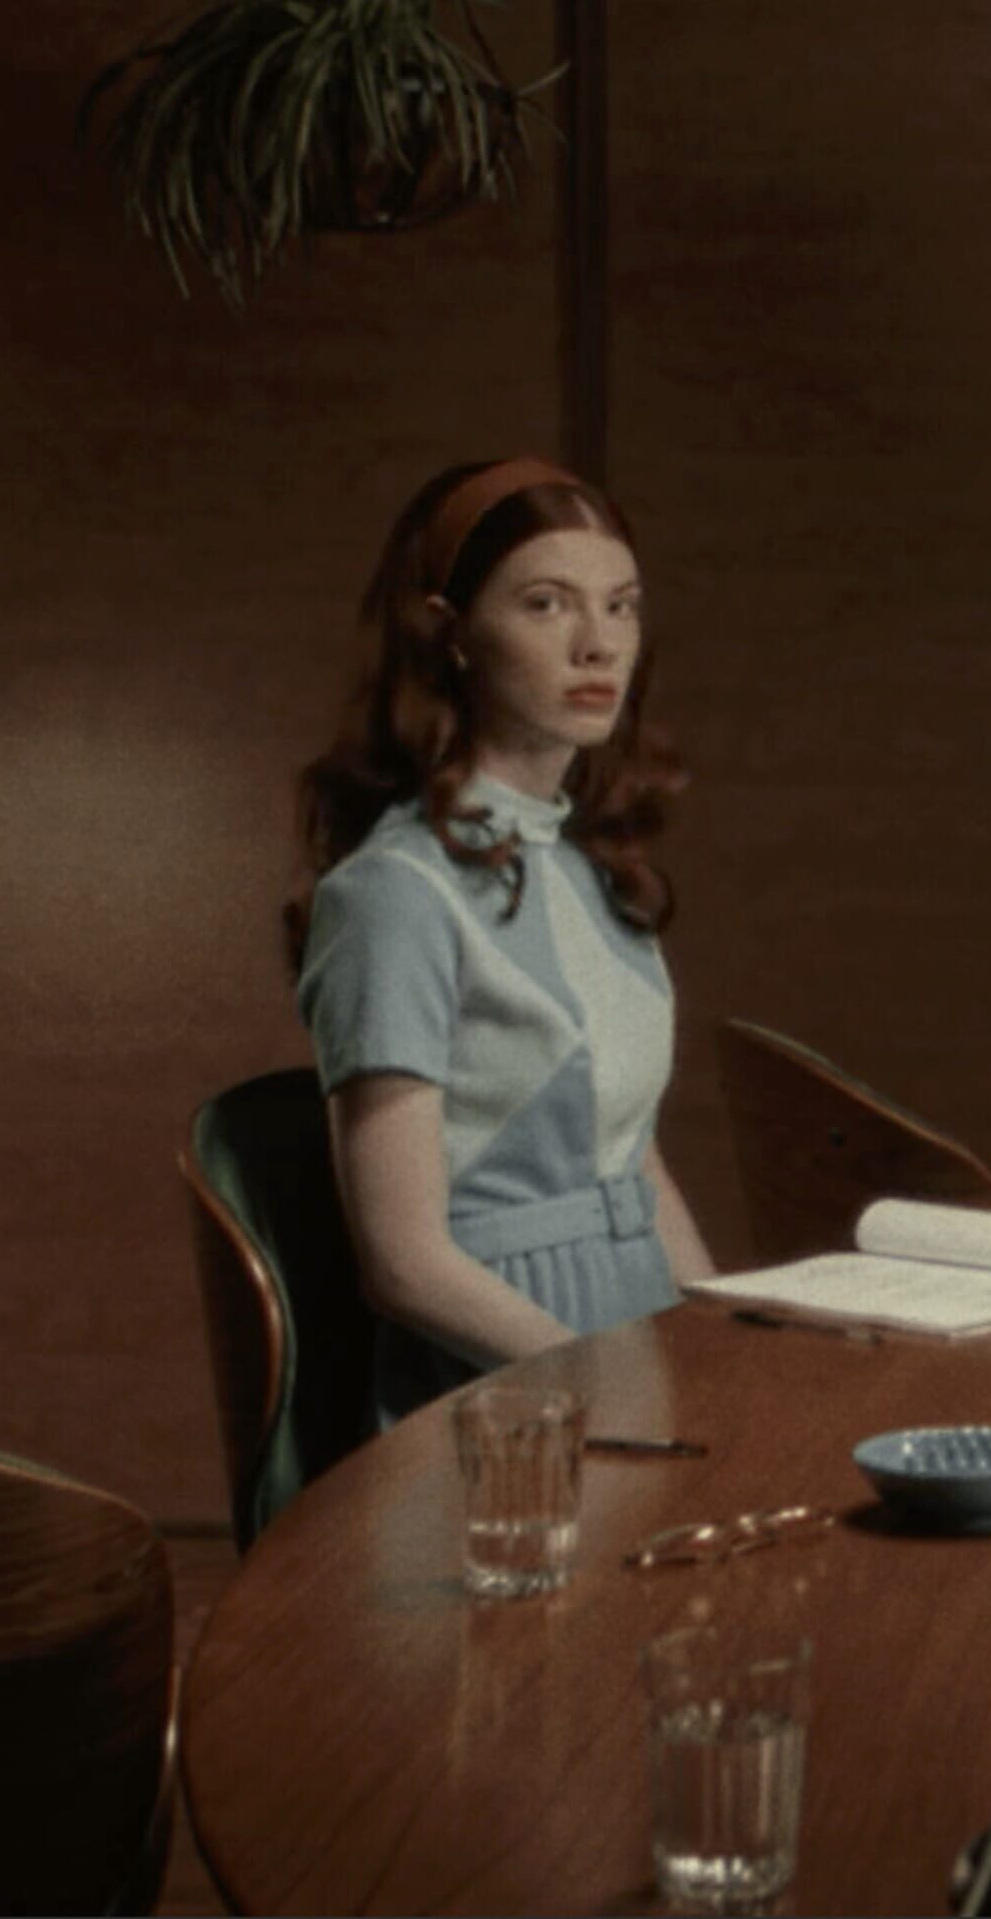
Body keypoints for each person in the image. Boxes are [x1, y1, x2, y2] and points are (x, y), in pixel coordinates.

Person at [287, 456, 722, 1424]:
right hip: (499, 1375)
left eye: (620, 607)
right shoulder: (394, 894)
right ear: (448, 635)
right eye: (545, 604)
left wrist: (716, 1344)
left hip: (637, 1315)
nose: (597, 645)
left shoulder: (592, 873)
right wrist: (608, 1384)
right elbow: (404, 1263)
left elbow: (635, 1161)